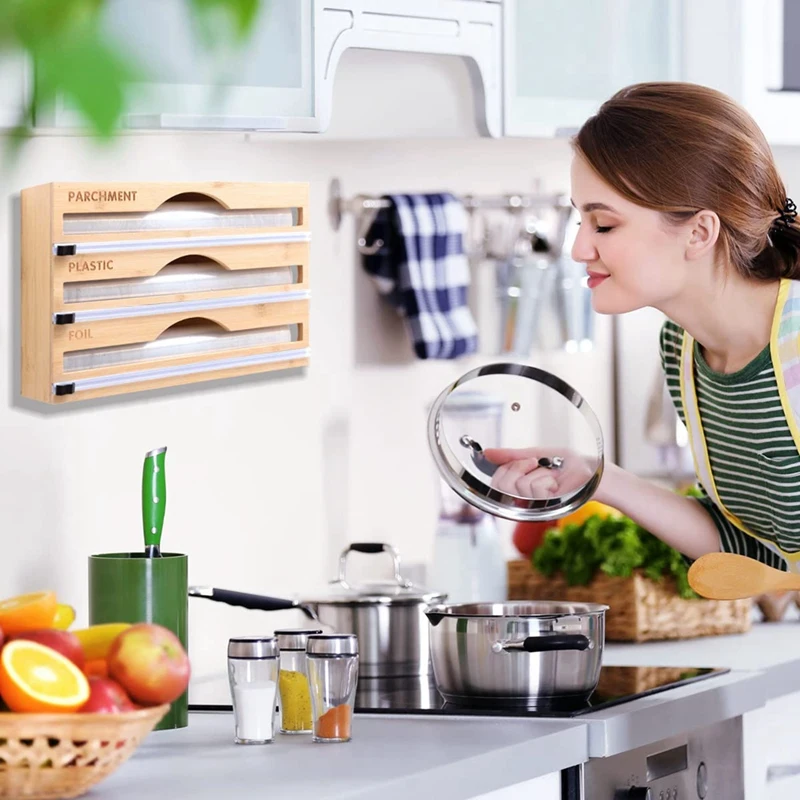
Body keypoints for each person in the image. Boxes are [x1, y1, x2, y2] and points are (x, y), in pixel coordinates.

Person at [487, 81, 800, 573]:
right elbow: (754, 552)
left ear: (699, 232)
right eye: (580, 222)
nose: (579, 249)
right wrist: (596, 478)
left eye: (604, 225)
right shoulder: (683, 350)